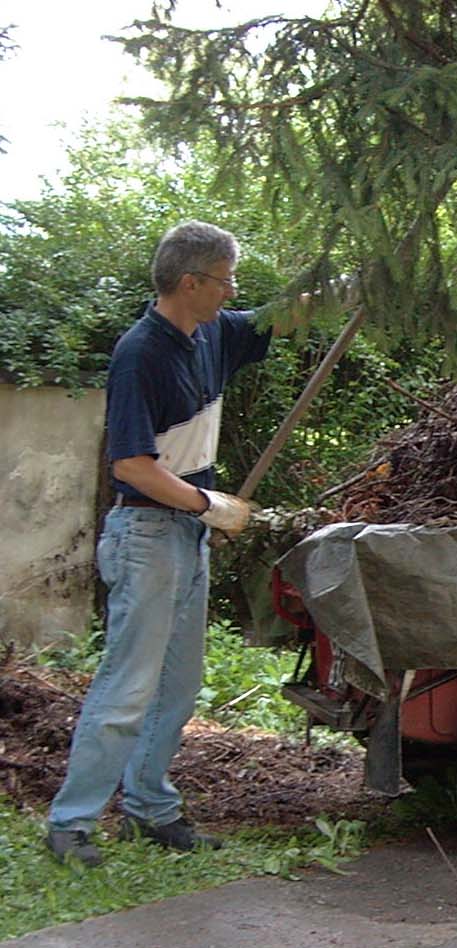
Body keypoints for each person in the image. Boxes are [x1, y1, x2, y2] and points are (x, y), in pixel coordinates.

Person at [45, 221, 271, 866]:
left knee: (179, 684)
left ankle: (150, 809)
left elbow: (284, 318)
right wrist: (210, 504)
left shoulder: (214, 334)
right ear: (190, 282)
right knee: (129, 684)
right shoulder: (140, 353)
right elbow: (132, 466)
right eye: (225, 280)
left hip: (186, 534)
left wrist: (360, 283)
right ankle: (72, 823)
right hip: (146, 532)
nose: (233, 292)